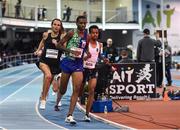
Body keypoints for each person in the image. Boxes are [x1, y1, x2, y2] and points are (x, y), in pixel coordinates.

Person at [54, 15, 88, 124]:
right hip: (67, 63)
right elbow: (58, 45)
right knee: (63, 89)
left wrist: (86, 54)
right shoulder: (71, 33)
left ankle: (69, 115)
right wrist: (69, 51)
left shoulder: (87, 36)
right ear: (76, 23)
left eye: (84, 23)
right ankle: (57, 101)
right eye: (81, 23)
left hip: (78, 64)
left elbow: (85, 48)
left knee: (76, 90)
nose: (83, 25)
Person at [34, 18, 66, 110]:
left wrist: (57, 44)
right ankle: (43, 99)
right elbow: (43, 41)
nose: (56, 26)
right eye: (54, 24)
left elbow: (64, 49)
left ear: (60, 27)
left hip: (55, 64)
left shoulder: (62, 37)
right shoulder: (46, 34)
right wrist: (38, 50)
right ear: (52, 25)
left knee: (55, 88)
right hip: (44, 61)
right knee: (48, 76)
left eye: (58, 25)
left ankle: (45, 92)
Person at [81, 25, 105, 122]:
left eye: (97, 33)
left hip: (93, 69)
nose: (95, 34)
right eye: (93, 33)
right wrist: (85, 58)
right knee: (78, 91)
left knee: (92, 90)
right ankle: (72, 111)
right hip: (83, 68)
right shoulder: (85, 44)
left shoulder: (99, 44)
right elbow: (79, 57)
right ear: (89, 34)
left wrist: (104, 59)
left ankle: (87, 114)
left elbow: (99, 55)